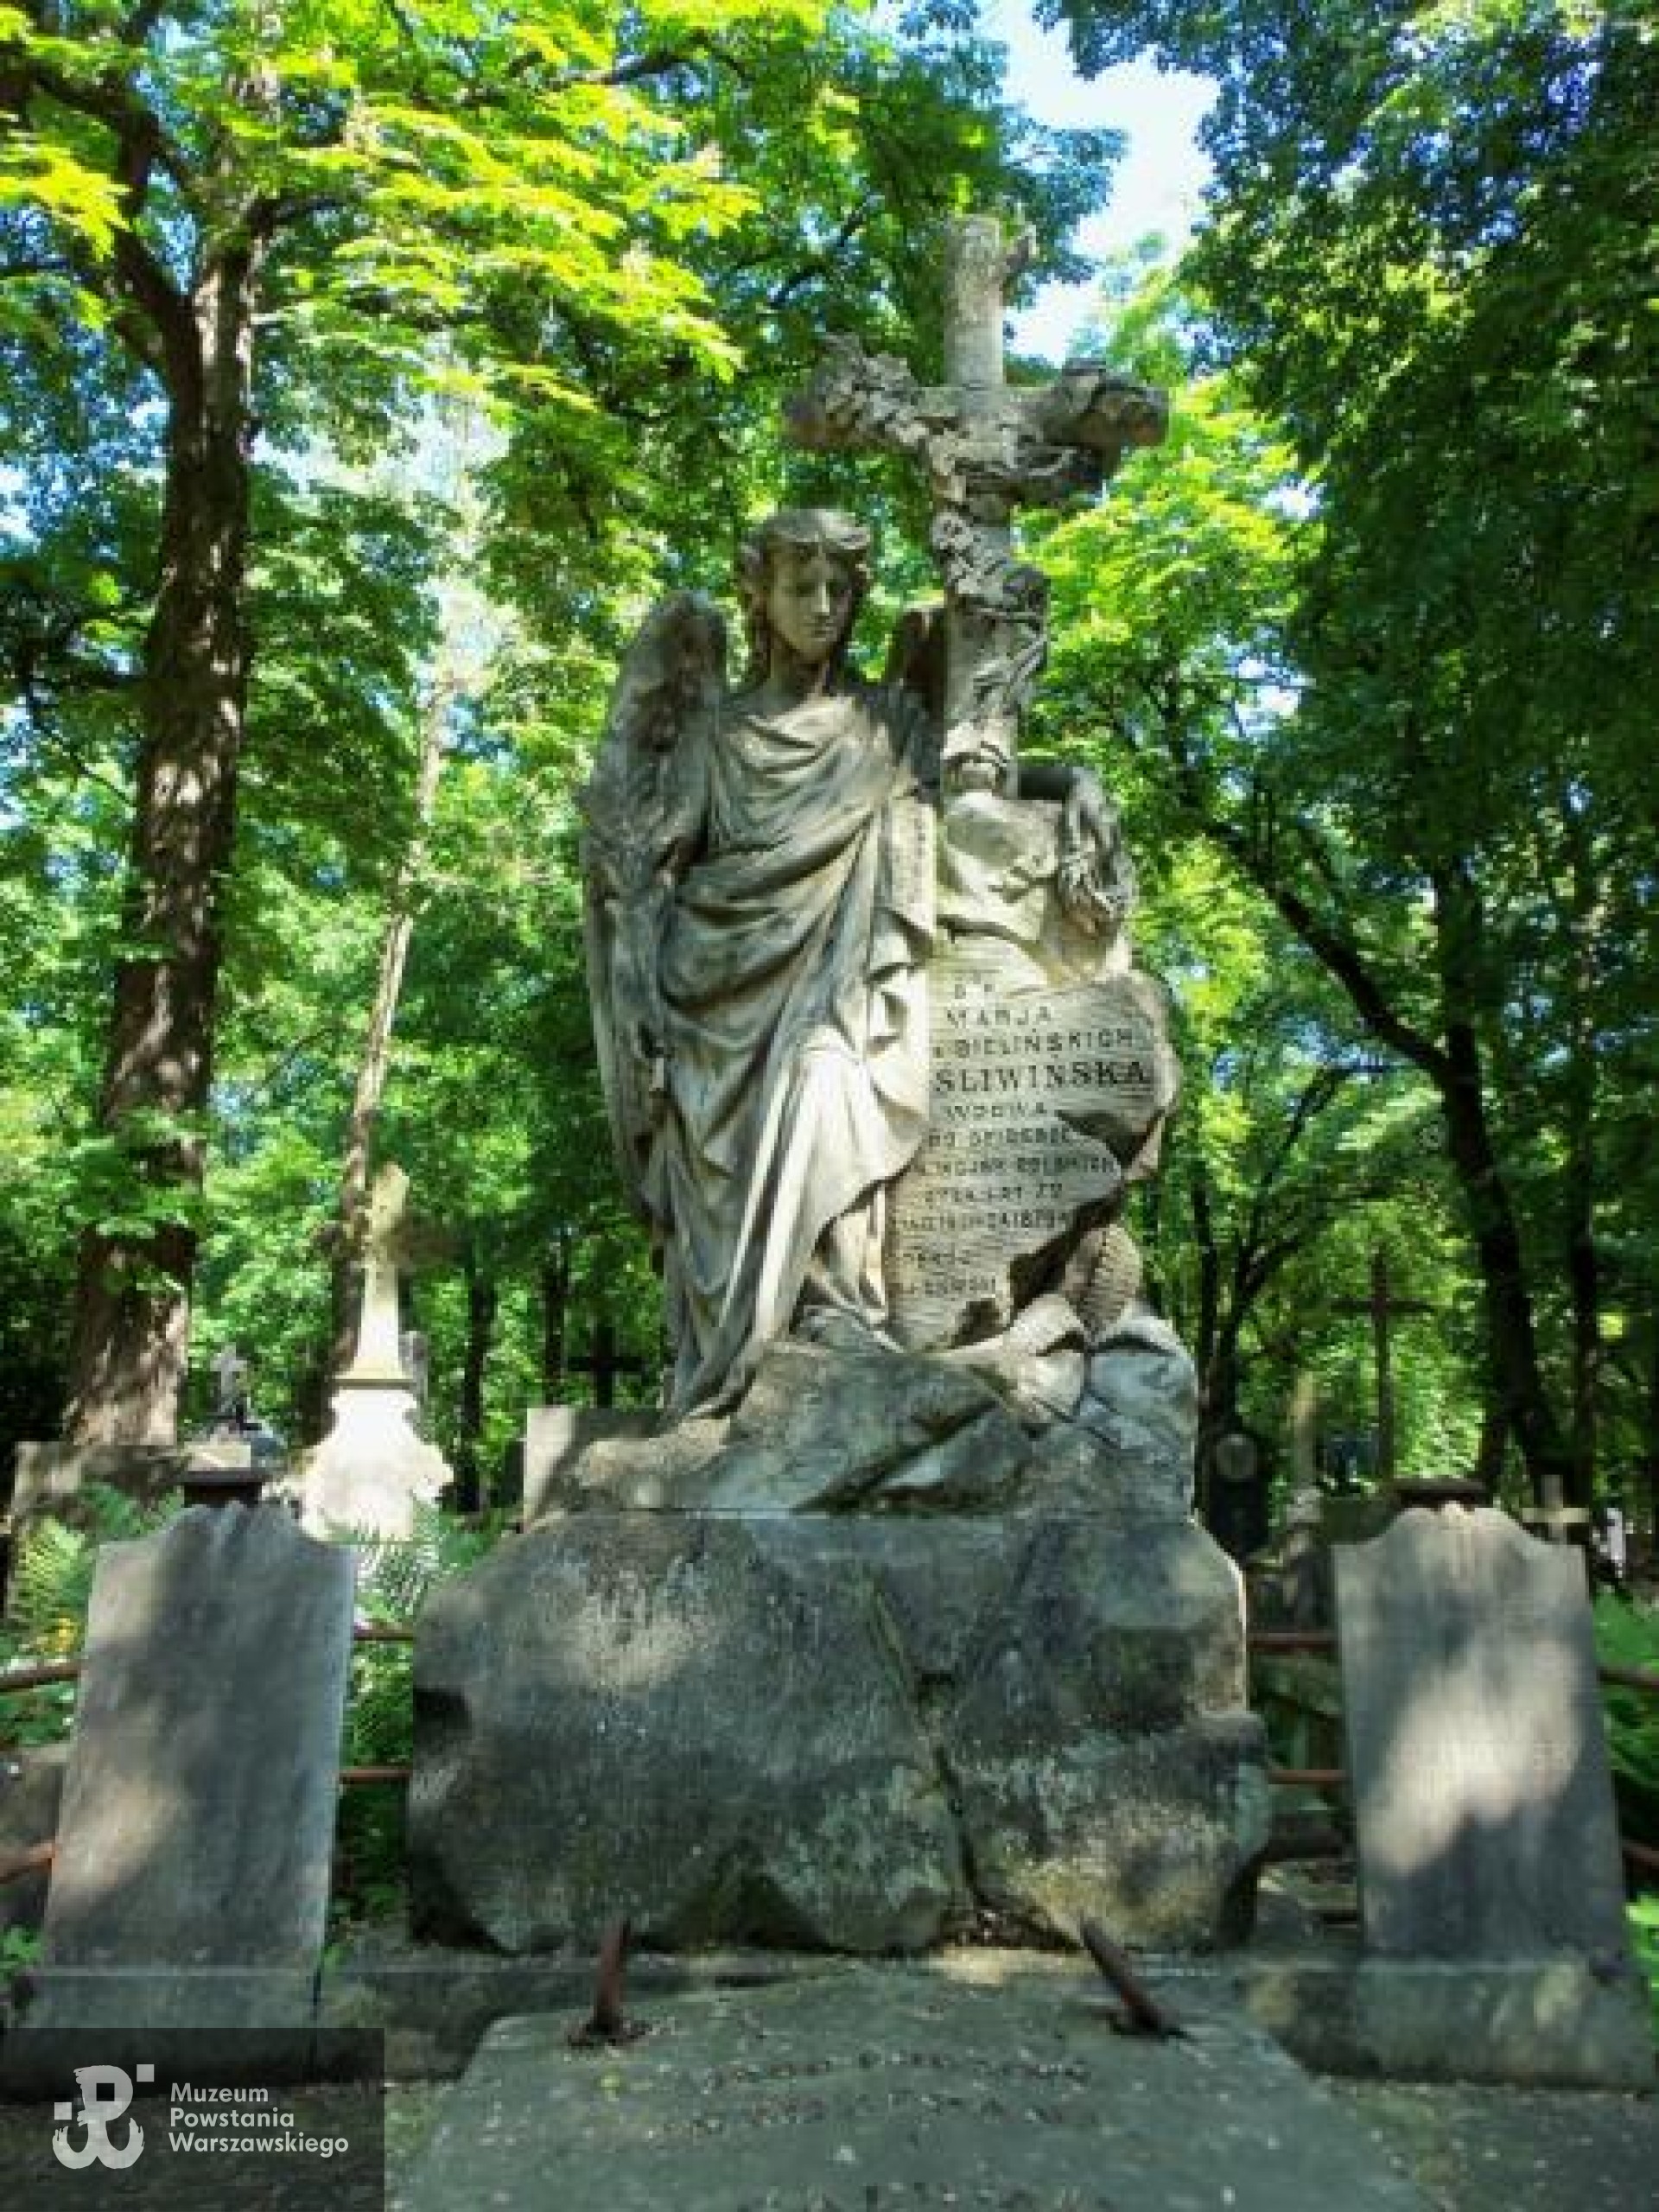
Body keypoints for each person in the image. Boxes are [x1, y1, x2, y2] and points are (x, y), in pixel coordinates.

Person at [583, 506, 1119, 1414]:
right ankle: (752, 1356)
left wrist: (1076, 782)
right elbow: (648, 863)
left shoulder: (884, 721)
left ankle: (833, 1314)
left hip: (834, 987)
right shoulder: (719, 734)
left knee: (828, 1083)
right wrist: (634, 989)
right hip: (717, 1001)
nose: (823, 606)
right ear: (760, 596)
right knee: (787, 1106)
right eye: (802, 587)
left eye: (839, 588)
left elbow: (974, 783)